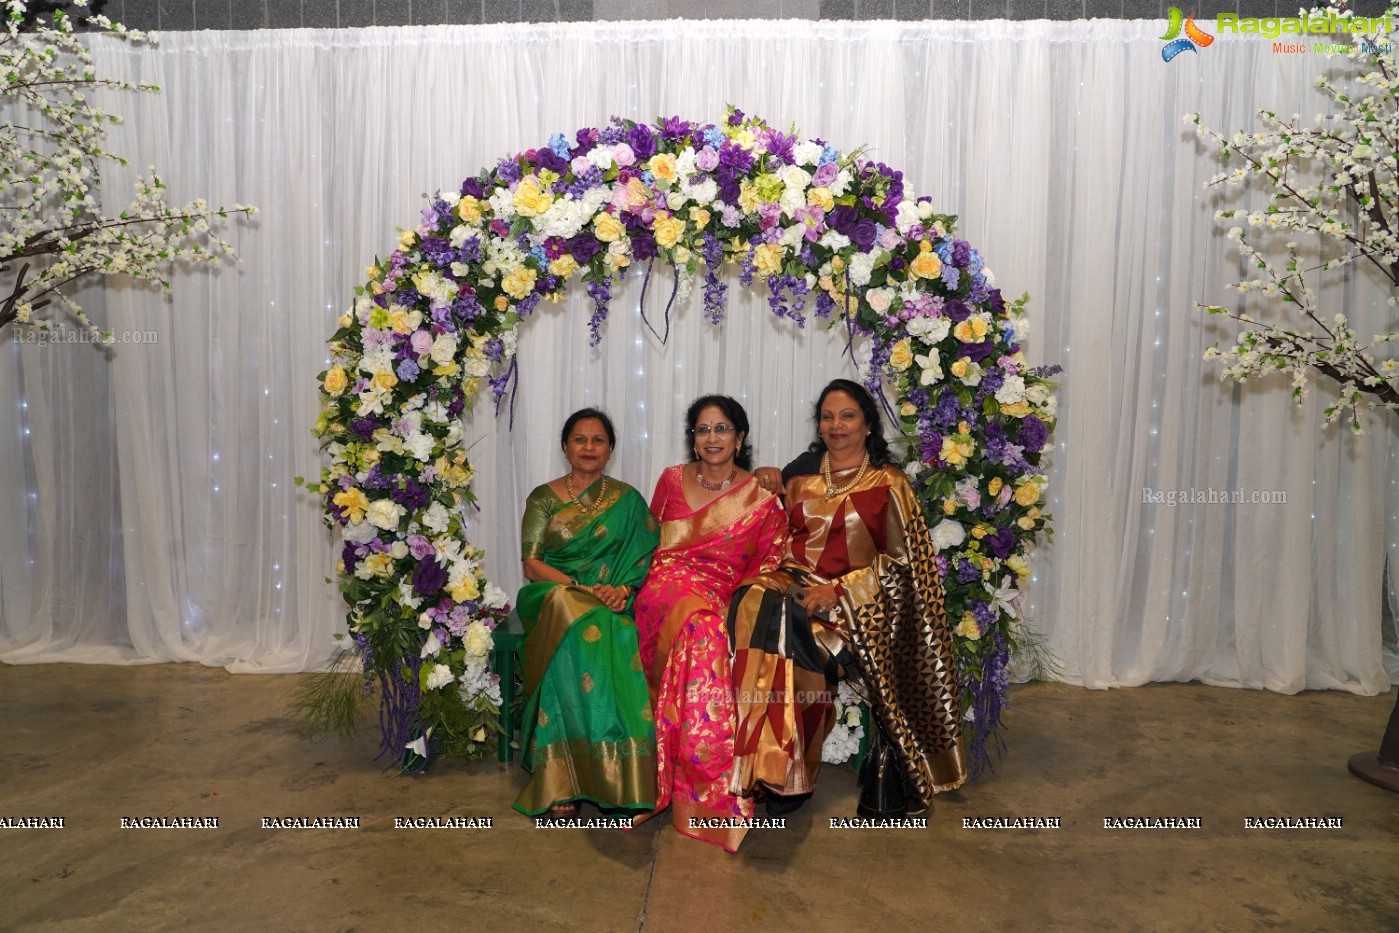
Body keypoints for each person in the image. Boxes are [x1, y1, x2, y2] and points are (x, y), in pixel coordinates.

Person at [731, 379, 967, 817]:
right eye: (827, 416)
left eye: (847, 416)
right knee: (751, 601)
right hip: (794, 584)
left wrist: (838, 590)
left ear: (868, 425)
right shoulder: (800, 476)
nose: (835, 425)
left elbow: (904, 563)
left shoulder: (889, 483)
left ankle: (787, 775)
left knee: (793, 635)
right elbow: (778, 536)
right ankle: (766, 765)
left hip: (854, 607)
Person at [631, 395, 788, 851]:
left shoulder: (760, 497)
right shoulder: (671, 480)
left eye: (722, 429)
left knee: (709, 630)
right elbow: (646, 545)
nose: (712, 438)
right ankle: (708, 794)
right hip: (663, 589)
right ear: (693, 439)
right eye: (703, 430)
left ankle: (693, 786)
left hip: (721, 597)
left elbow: (772, 561)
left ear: (740, 438)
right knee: (702, 629)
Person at [513, 408, 660, 817]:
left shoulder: (628, 500)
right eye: (580, 439)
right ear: (565, 447)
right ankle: (563, 778)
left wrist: (622, 589)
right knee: (574, 618)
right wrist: (577, 587)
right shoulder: (543, 499)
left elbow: (643, 555)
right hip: (553, 593)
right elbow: (531, 563)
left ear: (610, 449)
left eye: (598, 440)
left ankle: (616, 776)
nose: (589, 447)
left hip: (609, 599)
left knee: (611, 629)